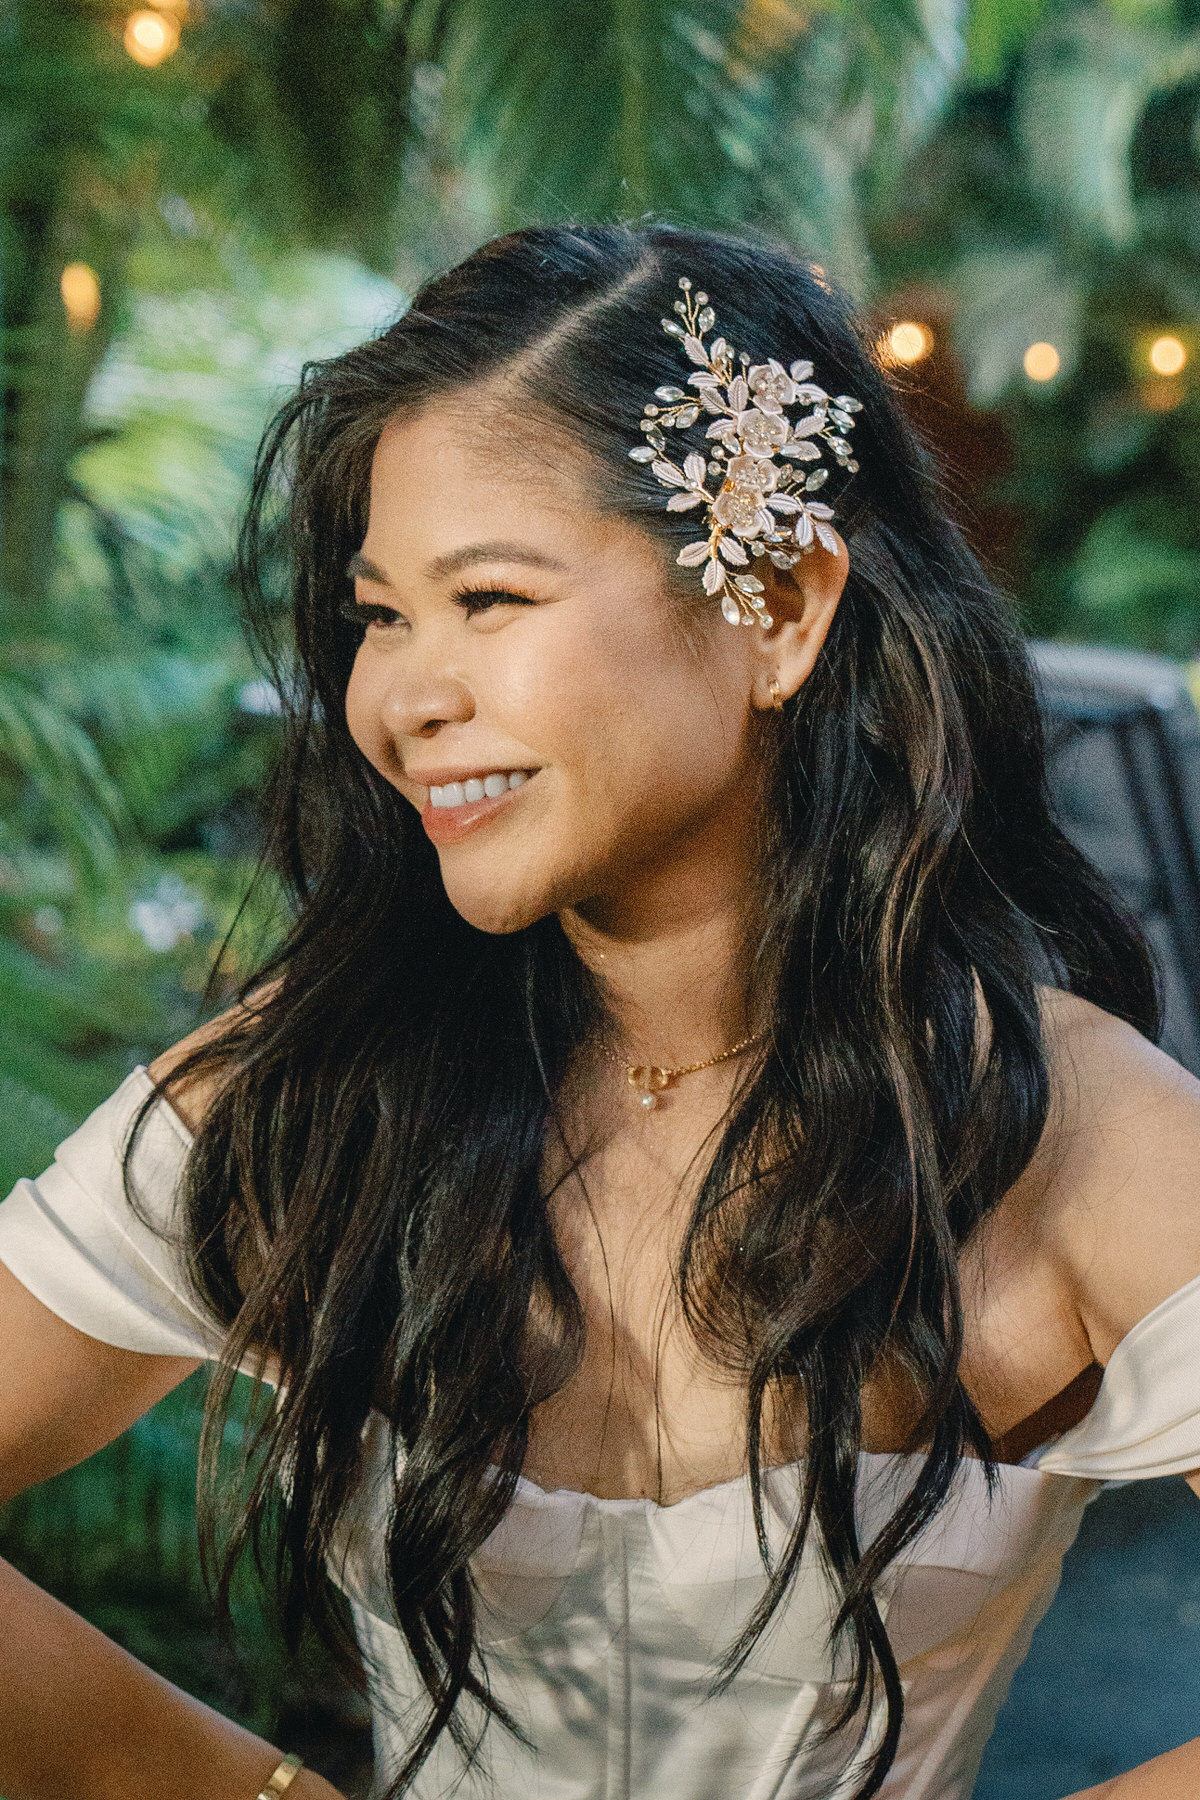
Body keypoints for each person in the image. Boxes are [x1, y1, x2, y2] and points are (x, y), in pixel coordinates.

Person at [0, 223, 1198, 1800]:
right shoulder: (314, 1096)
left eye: (488, 597)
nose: (405, 698)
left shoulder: (1064, 1133)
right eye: (379, 616)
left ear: (776, 606)